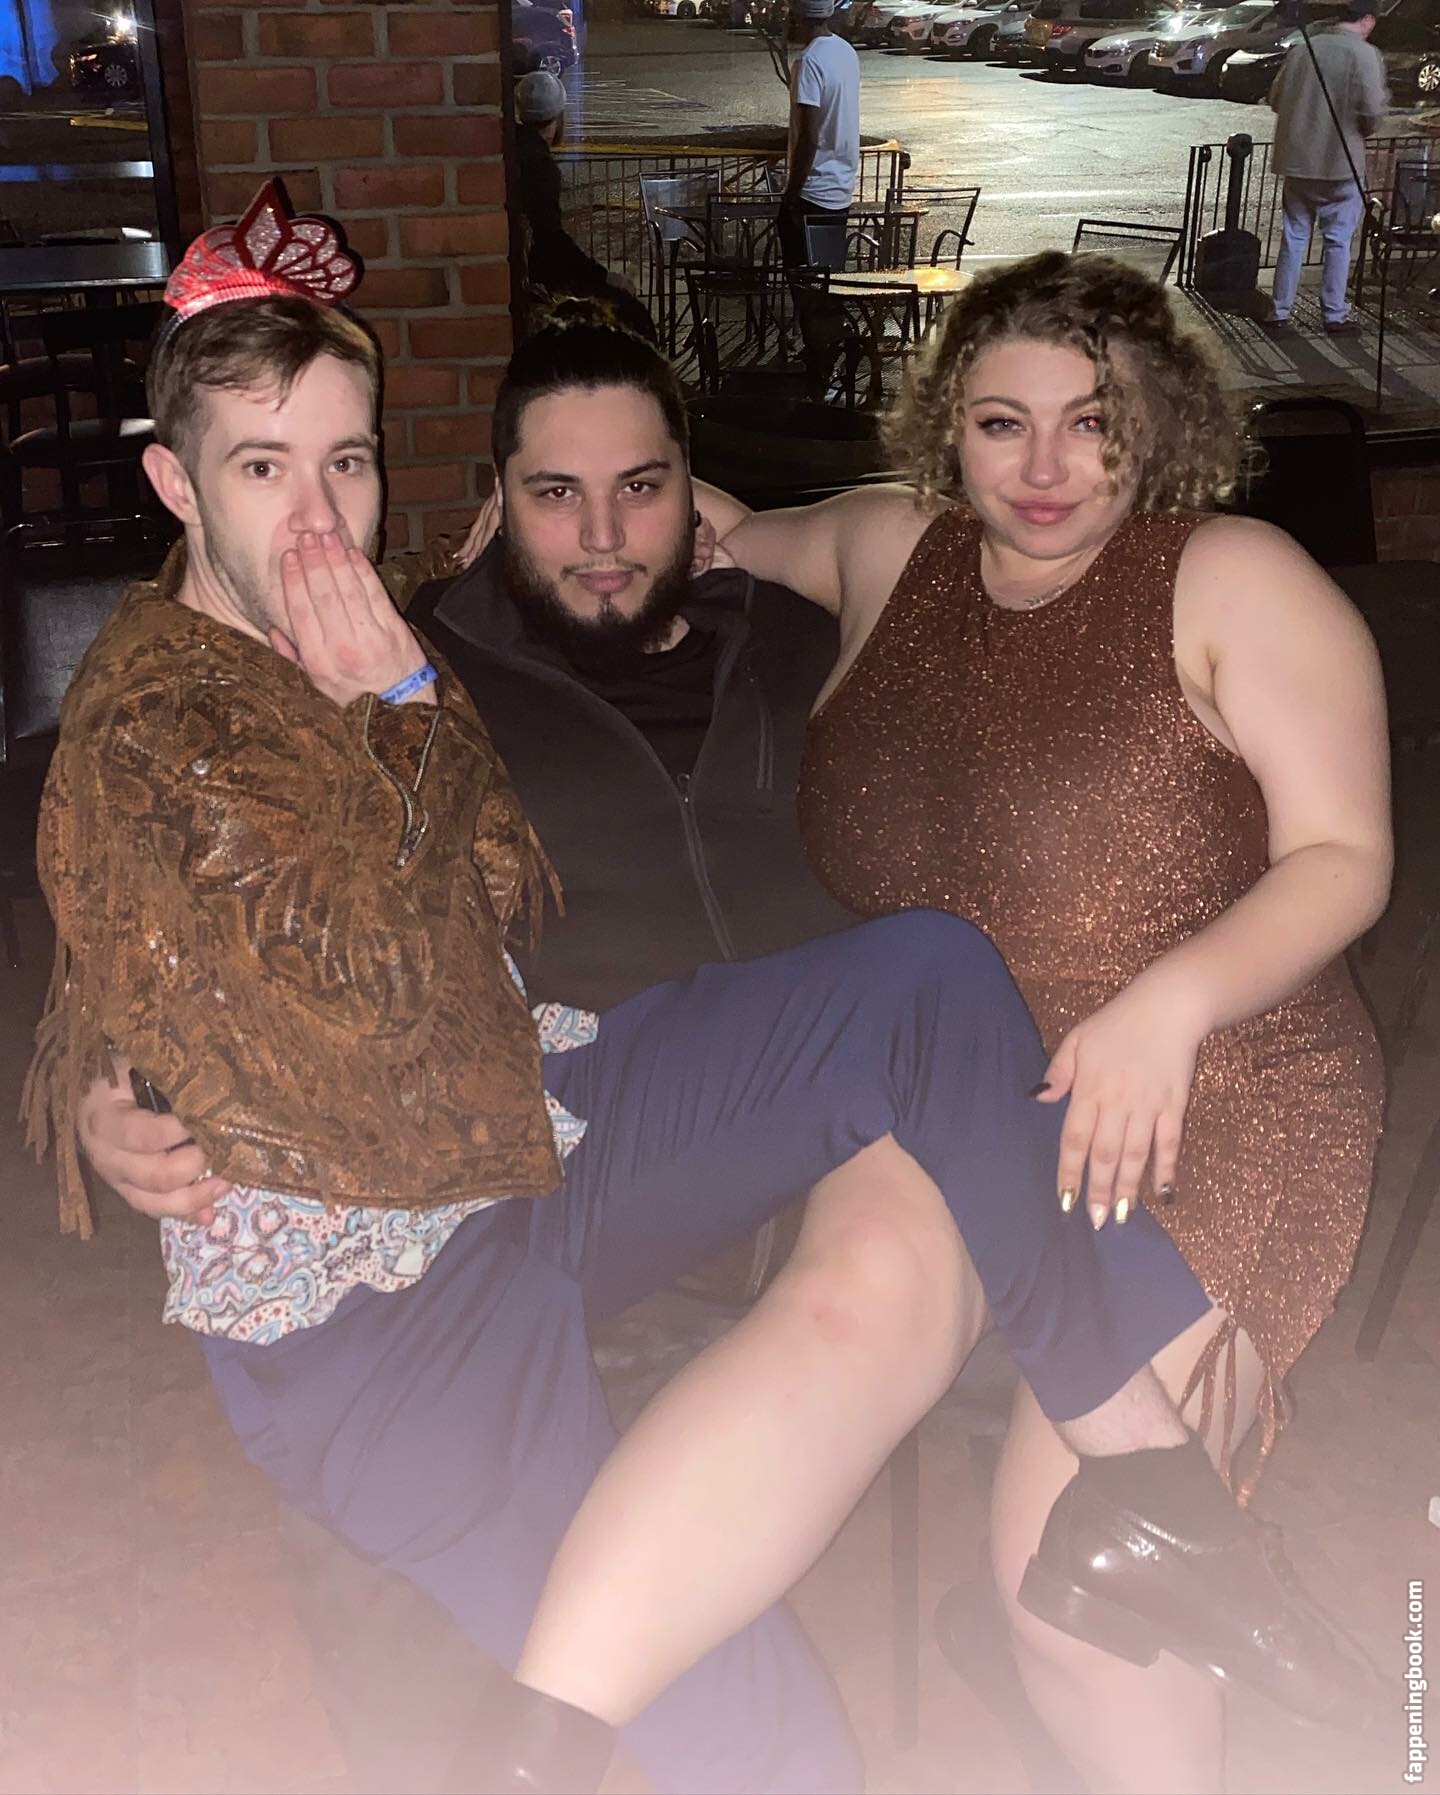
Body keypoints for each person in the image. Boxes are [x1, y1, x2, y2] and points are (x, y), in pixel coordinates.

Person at [63, 271, 1373, 1792]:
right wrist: (115, 1078)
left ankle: (1148, 1500)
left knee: (929, 975)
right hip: (418, 1249)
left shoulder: (796, 609)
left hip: (694, 1111)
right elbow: (190, 924)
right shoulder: (400, 654)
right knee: (755, 1726)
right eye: (554, 494)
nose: (601, 533)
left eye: (345, 462)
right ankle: (541, 1749)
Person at [711, 248, 1391, 1793]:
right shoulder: (891, 547)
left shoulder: (1230, 576)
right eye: (1001, 422)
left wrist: (1170, 1001)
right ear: (945, 424)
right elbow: (721, 527)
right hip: (965, 1101)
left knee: (1083, 1578)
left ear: (1161, 428)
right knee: (816, 1352)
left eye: (1095, 424)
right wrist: (551, 514)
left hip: (1218, 1084)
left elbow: (1346, 857)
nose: (1044, 467)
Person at [1265, 0, 1388, 336]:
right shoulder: (1365, 55)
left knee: (1294, 237)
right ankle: (1333, 313)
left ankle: (1279, 310)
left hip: (1297, 162)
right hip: (1340, 163)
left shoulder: (1303, 49)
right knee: (1338, 240)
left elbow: (1276, 99)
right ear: (1366, 20)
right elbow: (1371, 112)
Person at [512, 69, 654, 339]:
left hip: (527, 274)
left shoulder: (516, 148)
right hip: (535, 280)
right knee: (631, 316)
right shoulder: (539, 165)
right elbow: (550, 239)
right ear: (559, 117)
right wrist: (602, 277)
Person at [780, 0, 860, 269]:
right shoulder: (846, 52)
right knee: (828, 277)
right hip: (841, 191)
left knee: (802, 279)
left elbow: (809, 136)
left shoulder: (808, 61)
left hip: (812, 194)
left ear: (797, 18)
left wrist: (791, 195)